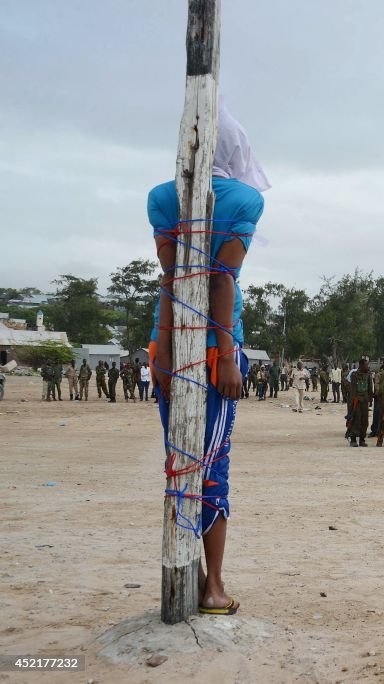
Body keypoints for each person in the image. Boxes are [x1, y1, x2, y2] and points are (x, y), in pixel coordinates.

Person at [148, 96, 269, 616]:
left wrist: (162, 350)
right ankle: (213, 587)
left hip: (170, 346)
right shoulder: (243, 201)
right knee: (212, 465)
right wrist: (223, 356)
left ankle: (189, 577)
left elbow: (173, 278)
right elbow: (220, 278)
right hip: (216, 348)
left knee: (180, 464)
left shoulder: (160, 197)